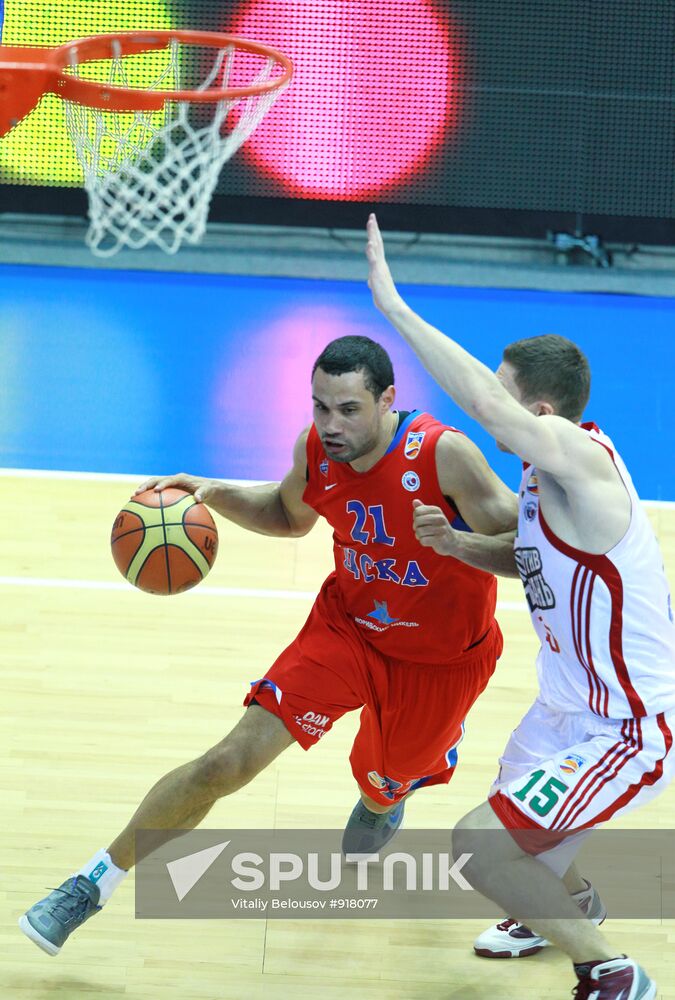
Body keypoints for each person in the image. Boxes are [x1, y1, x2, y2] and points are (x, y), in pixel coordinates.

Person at [19, 333, 518, 956]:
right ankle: (91, 883)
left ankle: (389, 791)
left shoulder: (445, 457)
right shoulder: (317, 451)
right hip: (348, 630)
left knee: (385, 782)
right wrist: (212, 492)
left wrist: (458, 544)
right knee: (227, 762)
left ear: (388, 399)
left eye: (348, 409)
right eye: (319, 407)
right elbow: (289, 515)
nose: (330, 425)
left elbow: (527, 549)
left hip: (442, 663)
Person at [365, 213, 675, 1000]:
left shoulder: (582, 459)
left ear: (540, 414)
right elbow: (530, 557)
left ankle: (612, 972)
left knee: (478, 846)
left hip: (625, 725)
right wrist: (459, 547)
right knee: (513, 844)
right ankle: (556, 909)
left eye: (504, 401)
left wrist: (396, 312)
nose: (488, 412)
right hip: (563, 709)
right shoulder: (547, 483)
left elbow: (488, 408)